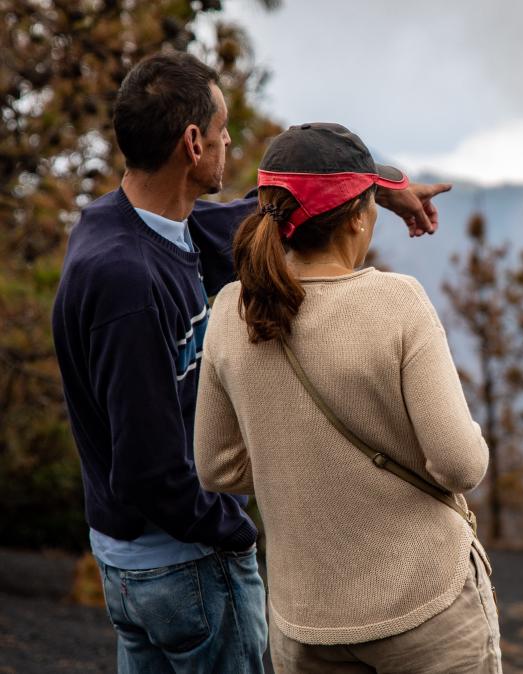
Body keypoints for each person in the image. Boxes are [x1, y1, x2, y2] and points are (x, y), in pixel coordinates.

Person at [51, 51, 449, 673]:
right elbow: (147, 470)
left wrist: (386, 188)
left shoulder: (152, 227)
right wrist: (239, 535)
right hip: (182, 563)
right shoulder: (125, 280)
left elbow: (270, 213)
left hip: (140, 562)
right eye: (222, 129)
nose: (230, 140)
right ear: (191, 142)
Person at [193, 122, 501, 673]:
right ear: (360, 215)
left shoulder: (230, 310)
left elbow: (216, 467)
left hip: (304, 622)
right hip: (425, 605)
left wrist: (298, 460)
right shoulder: (398, 303)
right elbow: (461, 464)